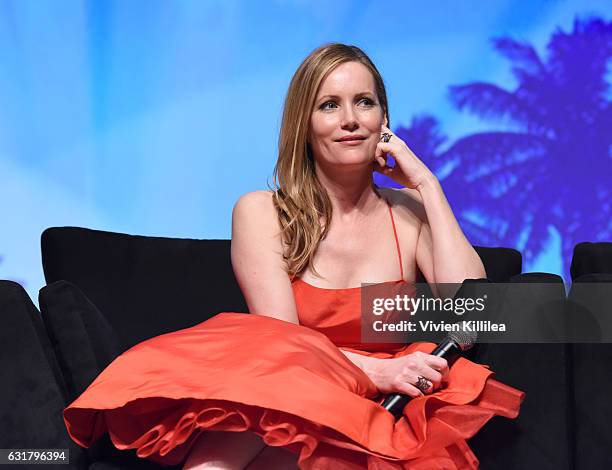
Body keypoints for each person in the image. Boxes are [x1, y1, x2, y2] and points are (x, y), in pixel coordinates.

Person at [63, 43, 524, 469]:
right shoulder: (261, 212)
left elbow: (474, 305)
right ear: (303, 123)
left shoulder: (409, 213)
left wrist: (427, 184)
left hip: (376, 408)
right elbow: (280, 347)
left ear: (384, 118)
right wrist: (380, 368)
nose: (350, 119)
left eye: (364, 102)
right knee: (256, 417)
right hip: (284, 394)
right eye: (329, 105)